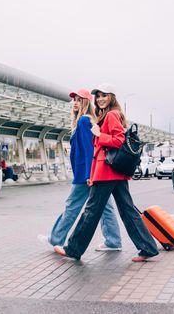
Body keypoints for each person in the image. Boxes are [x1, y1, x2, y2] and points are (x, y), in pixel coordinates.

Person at [54, 83, 159, 262]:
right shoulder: (110, 115)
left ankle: (73, 249)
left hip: (107, 171)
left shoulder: (111, 115)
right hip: (115, 172)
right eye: (98, 96)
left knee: (91, 211)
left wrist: (98, 134)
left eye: (104, 95)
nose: (101, 99)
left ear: (112, 97)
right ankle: (147, 247)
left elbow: (118, 140)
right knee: (127, 210)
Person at [38, 88, 122, 251]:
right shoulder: (88, 120)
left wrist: (89, 175)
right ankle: (113, 241)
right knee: (105, 207)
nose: (75, 103)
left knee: (72, 206)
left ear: (85, 102)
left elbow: (89, 149)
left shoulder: (84, 121)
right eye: (74, 100)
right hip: (91, 174)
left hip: (85, 175)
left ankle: (56, 238)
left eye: (79, 100)